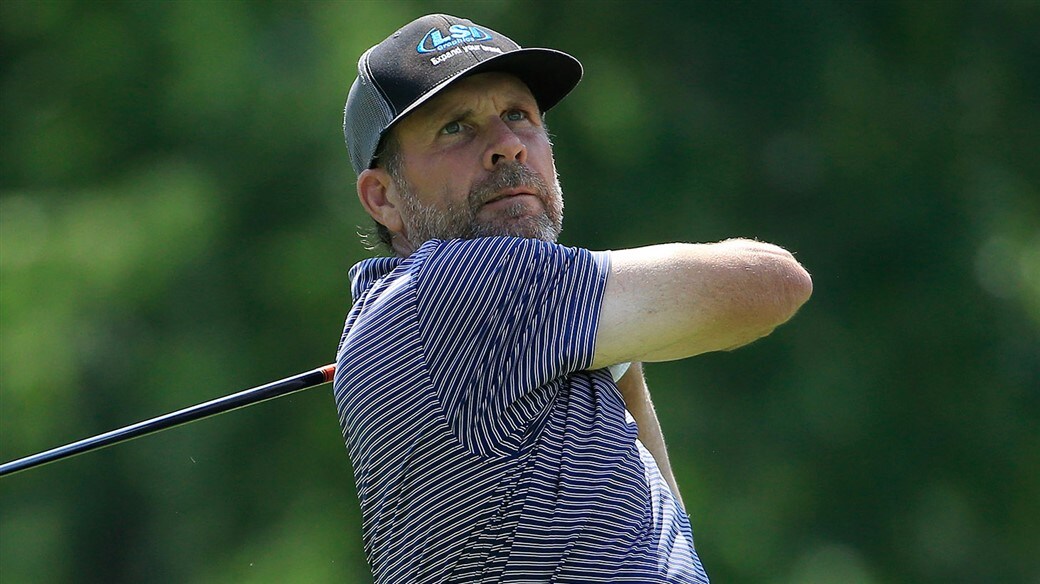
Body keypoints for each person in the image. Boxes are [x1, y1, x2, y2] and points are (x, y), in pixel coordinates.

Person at [333, 14, 812, 583]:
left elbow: (664, 534)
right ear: (383, 198)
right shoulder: (455, 287)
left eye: (519, 115)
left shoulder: (405, 315)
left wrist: (607, 336)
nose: (507, 146)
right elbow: (774, 284)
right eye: (456, 128)